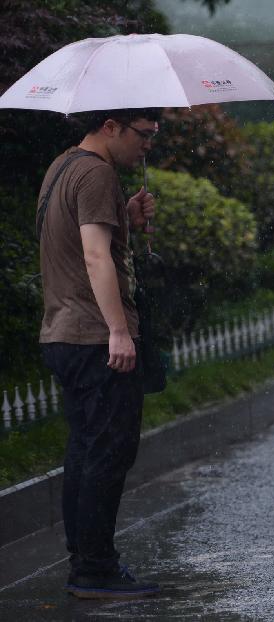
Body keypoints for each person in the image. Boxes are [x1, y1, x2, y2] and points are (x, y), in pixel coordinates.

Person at [37, 108, 162, 598]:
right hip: (94, 336)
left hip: (63, 333)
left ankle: (87, 562)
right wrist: (118, 331)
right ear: (111, 126)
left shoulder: (63, 165)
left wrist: (125, 220)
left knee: (86, 451)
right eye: (143, 134)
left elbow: (81, 241)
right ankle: (94, 570)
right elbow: (92, 255)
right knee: (107, 454)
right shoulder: (97, 173)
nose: (148, 144)